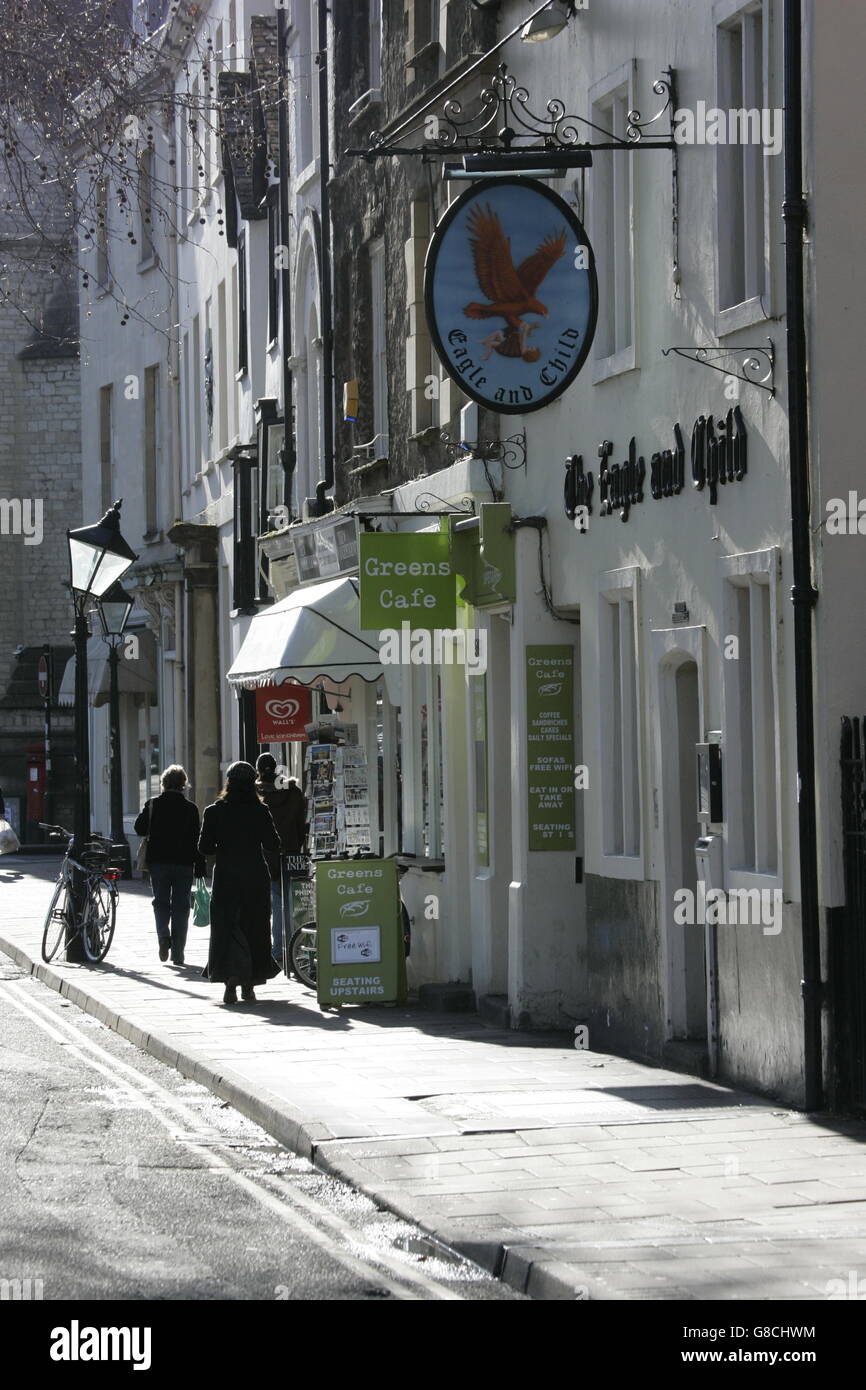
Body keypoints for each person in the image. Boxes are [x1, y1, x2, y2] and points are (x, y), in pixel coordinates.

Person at [198, 761, 281, 1005]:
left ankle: (229, 980)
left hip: (226, 877)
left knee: (226, 927)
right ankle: (249, 985)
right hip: (254, 876)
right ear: (252, 783)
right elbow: (273, 844)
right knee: (254, 927)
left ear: (229, 782)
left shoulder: (214, 811)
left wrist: (221, 844)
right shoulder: (260, 810)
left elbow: (204, 847)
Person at [134, 765, 205, 966]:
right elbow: (196, 839)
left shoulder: (154, 804)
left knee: (161, 902)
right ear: (183, 784)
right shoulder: (191, 808)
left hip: (158, 863)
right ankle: (178, 954)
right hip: (184, 863)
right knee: (181, 907)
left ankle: (163, 937)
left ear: (164, 783)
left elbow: (139, 828)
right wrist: (200, 866)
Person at [255, 752, 307, 965]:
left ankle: (277, 952)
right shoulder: (293, 792)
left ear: (258, 770)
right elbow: (302, 824)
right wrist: (296, 845)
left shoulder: (257, 794)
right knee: (297, 905)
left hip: (267, 856)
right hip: (292, 853)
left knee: (275, 904)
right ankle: (299, 949)